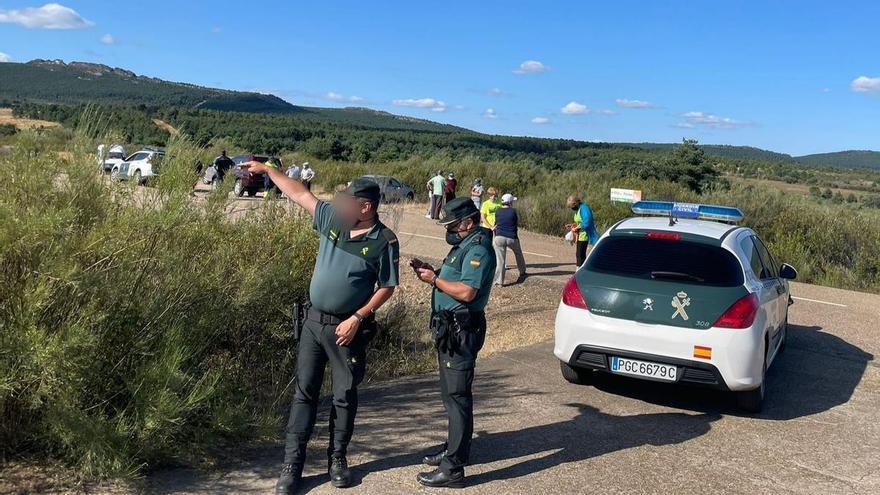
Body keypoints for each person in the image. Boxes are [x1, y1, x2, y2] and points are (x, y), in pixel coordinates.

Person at [242, 161, 400, 494]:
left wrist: (358, 317)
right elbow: (299, 193)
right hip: (313, 322)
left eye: (348, 200)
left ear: (366, 207)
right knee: (304, 395)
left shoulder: (384, 241)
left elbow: (387, 285)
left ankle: (337, 460)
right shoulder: (333, 219)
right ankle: (292, 466)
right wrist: (269, 171)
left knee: (344, 397)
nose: (340, 204)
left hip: (348, 330)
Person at [413, 197, 496, 488]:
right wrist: (434, 273)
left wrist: (434, 280)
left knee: (457, 397)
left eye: (452, 225)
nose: (449, 230)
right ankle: (455, 450)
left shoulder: (478, 250)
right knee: (452, 396)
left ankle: (453, 469)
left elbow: (467, 291)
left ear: (469, 222)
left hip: (462, 331)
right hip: (452, 330)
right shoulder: (465, 245)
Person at [492, 193, 527, 286]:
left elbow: (496, 223)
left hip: (499, 237)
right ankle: (522, 272)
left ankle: (499, 282)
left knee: (500, 260)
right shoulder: (513, 211)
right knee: (518, 253)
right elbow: (516, 222)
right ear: (510, 202)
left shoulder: (497, 211)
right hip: (512, 237)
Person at [566, 194, 599, 267]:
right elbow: (580, 221)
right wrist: (573, 225)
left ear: (575, 203)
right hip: (580, 235)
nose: (571, 208)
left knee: (580, 254)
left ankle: (580, 271)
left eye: (572, 207)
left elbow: (586, 222)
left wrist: (576, 228)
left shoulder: (584, 209)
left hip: (585, 235)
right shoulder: (579, 209)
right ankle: (580, 270)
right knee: (579, 254)